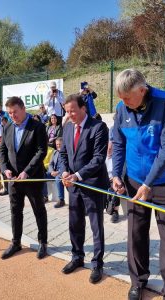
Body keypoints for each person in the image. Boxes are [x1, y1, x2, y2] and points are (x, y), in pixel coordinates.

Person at [112, 69, 165, 300]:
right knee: (135, 234)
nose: (123, 103)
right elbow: (118, 142)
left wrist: (149, 183)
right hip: (134, 181)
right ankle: (138, 282)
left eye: (127, 98)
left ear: (142, 90)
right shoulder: (121, 108)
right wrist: (116, 174)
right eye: (120, 98)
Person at [59, 94, 109, 284]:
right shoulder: (68, 126)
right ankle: (77, 256)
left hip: (93, 184)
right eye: (67, 111)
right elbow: (63, 153)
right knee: (75, 223)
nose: (69, 114)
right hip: (72, 185)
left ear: (83, 108)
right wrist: (64, 172)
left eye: (72, 110)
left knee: (96, 226)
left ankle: (97, 263)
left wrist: (77, 175)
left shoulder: (98, 127)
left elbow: (98, 158)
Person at [0, 96, 48, 260]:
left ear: (23, 109)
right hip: (13, 179)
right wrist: (5, 169)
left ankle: (42, 242)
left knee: (38, 210)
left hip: (32, 178)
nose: (12, 116)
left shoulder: (38, 127)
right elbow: (2, 151)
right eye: (10, 113)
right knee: (15, 211)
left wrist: (27, 171)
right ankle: (16, 242)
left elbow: (41, 151)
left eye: (15, 112)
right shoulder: (7, 127)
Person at [43, 137, 65, 208]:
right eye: (57, 144)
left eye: (60, 144)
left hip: (62, 173)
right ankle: (45, 196)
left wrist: (58, 172)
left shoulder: (66, 152)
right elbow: (51, 163)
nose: (58, 146)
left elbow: (66, 165)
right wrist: (51, 171)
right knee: (42, 175)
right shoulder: (55, 152)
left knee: (58, 179)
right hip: (53, 172)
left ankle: (61, 200)